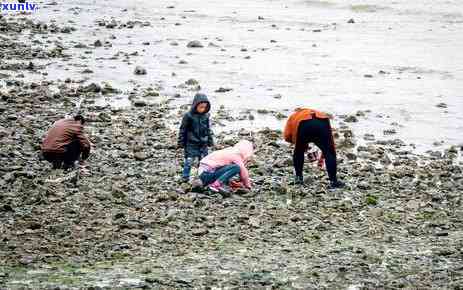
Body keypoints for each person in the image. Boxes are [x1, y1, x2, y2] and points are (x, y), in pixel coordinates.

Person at [284, 108, 345, 189]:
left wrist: (300, 144)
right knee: (329, 152)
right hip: (322, 122)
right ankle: (334, 181)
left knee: (299, 151)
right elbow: (331, 143)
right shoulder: (319, 113)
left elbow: (287, 135)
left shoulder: (294, 116)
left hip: (304, 124)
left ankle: (299, 178)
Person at [178, 93, 214, 182]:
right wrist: (181, 142)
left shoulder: (206, 116)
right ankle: (185, 177)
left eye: (204, 107)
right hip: (191, 142)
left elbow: (208, 129)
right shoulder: (188, 116)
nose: (203, 109)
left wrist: (210, 140)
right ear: (195, 105)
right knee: (189, 160)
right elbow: (183, 129)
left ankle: (202, 176)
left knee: (204, 160)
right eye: (201, 107)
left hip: (203, 142)